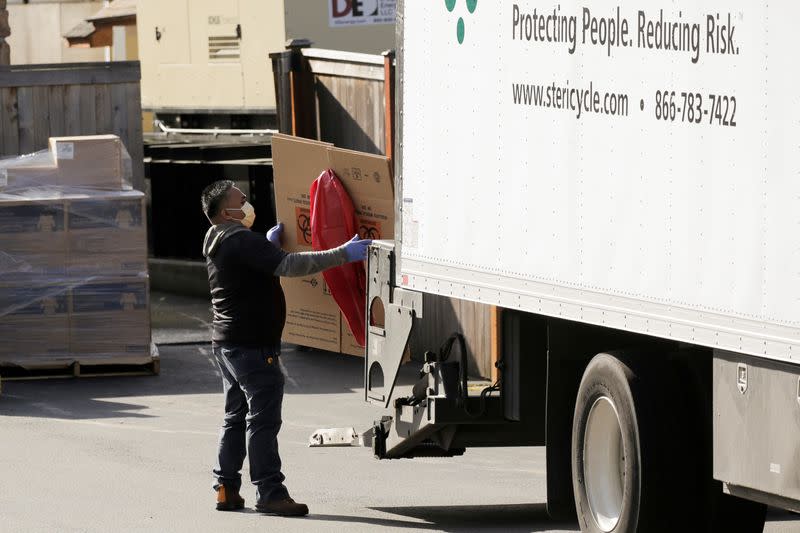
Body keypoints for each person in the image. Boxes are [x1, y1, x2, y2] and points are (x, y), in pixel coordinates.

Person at [200, 180, 371, 516]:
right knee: (262, 421)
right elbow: (291, 266)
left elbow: (249, 268)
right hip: (252, 347)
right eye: (241, 199)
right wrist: (343, 254)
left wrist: (265, 246)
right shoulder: (240, 240)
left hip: (228, 345)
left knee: (235, 418)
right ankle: (270, 492)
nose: (247, 202)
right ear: (225, 212)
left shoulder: (217, 239)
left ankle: (226, 488)